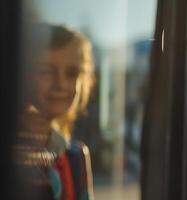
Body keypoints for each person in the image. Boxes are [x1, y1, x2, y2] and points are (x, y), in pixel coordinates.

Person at [16, 24, 95, 200]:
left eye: (71, 73)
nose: (60, 84)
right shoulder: (13, 153)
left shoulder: (76, 157)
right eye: (46, 71)